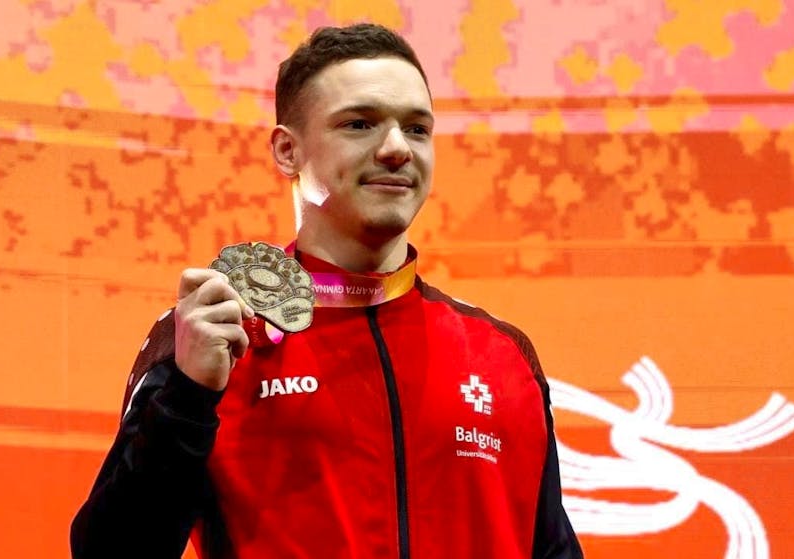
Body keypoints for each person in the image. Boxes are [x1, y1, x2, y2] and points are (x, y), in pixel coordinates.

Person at [71, 23, 583, 559]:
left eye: (416, 129)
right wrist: (188, 394)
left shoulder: (501, 355)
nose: (396, 148)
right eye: (359, 124)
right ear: (287, 151)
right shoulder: (212, 334)